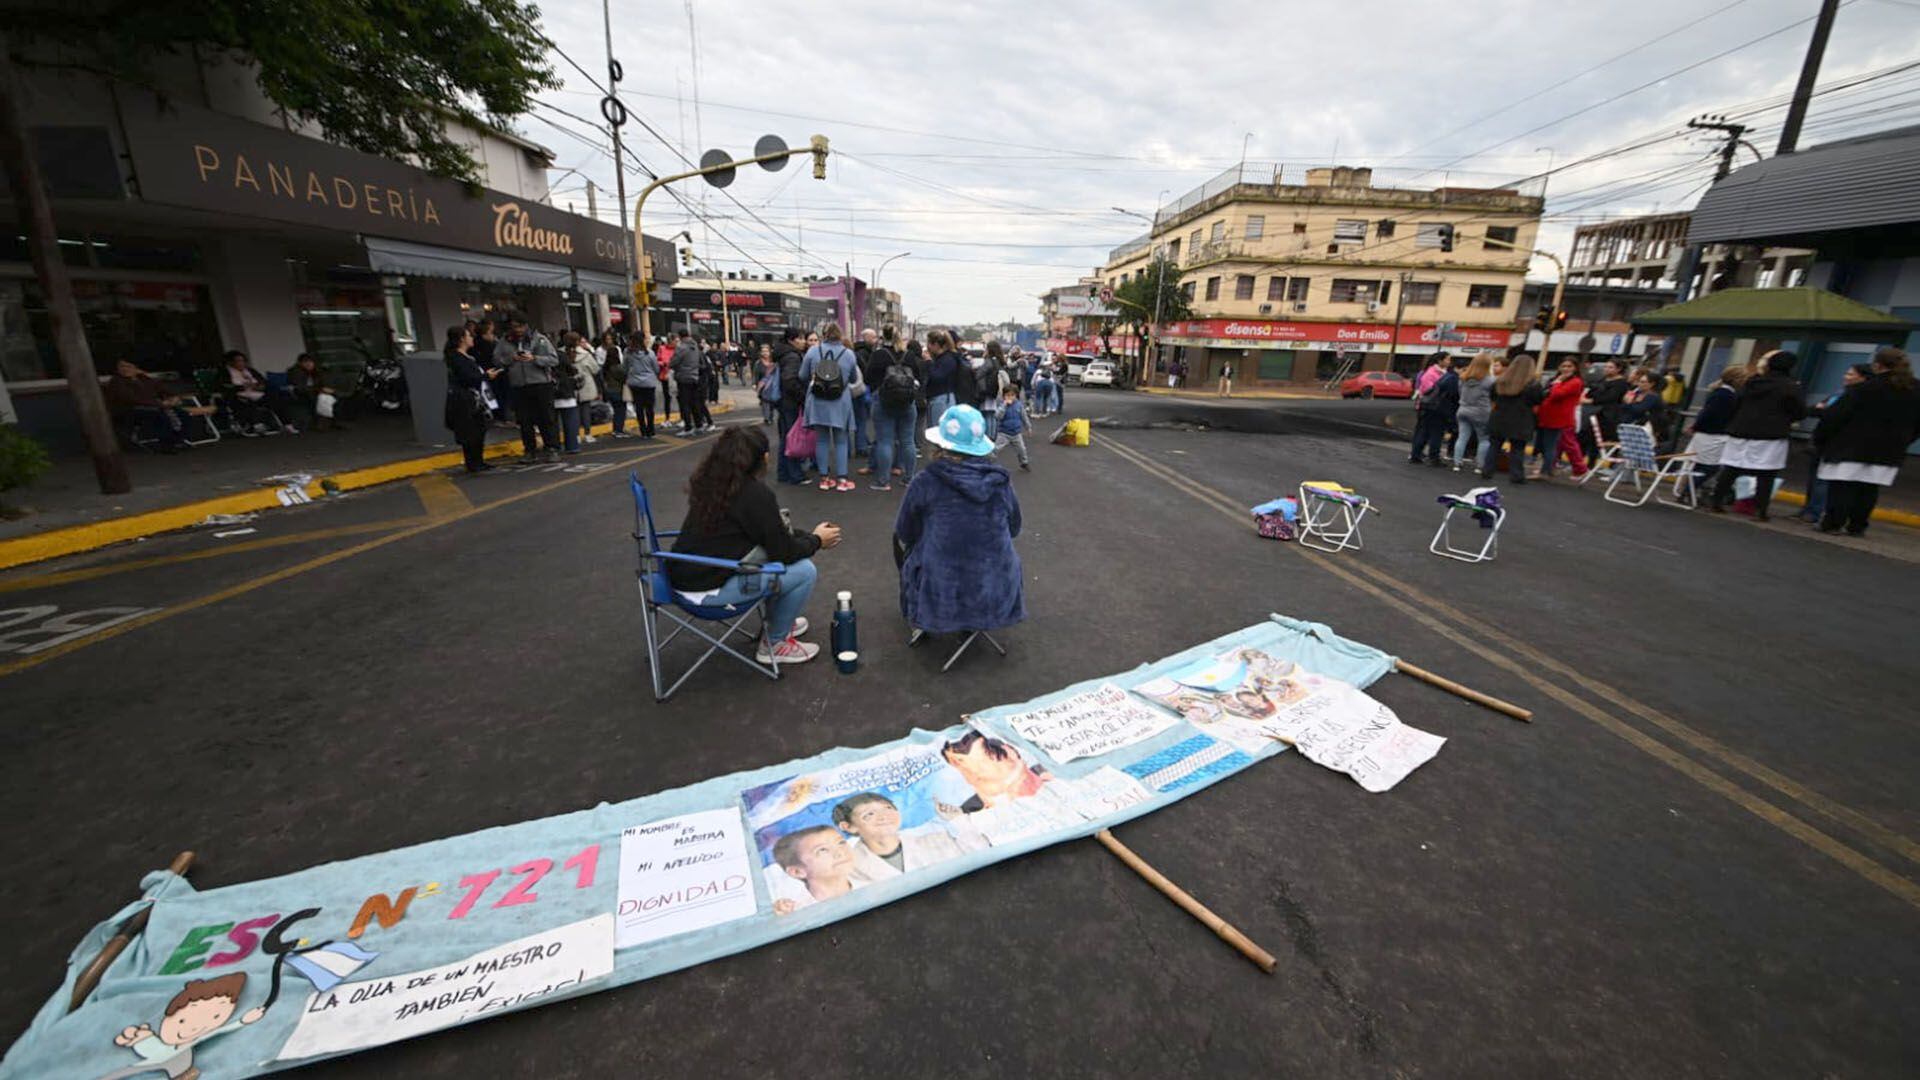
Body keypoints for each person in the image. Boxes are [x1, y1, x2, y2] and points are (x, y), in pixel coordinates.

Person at [670, 425, 841, 663]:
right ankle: (774, 644)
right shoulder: (753, 494)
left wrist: (809, 537)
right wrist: (817, 541)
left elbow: (771, 533)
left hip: (683, 577)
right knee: (803, 571)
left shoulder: (712, 484)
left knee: (772, 559)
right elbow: (784, 552)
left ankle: (780, 621)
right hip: (706, 593)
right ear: (762, 459)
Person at [896, 404, 1024, 637]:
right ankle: (973, 623)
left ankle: (921, 617)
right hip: (996, 584)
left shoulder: (925, 481)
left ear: (940, 445)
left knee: (911, 548)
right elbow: (1014, 528)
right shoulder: (1000, 482)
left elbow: (905, 531)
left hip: (943, 588)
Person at [1814, 347, 1920, 536]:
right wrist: (1906, 439)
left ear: (1877, 365)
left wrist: (1821, 438)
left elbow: (1836, 416)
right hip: (1890, 448)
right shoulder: (1914, 389)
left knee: (1842, 486)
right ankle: (1857, 526)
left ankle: (1833, 523)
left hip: (1851, 445)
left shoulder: (1863, 388)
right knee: (1869, 488)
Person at [1709, 349, 1805, 520]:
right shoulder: (1790, 386)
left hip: (1740, 430)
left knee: (1731, 468)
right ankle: (1761, 511)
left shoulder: (1752, 382)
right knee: (1766, 474)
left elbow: (1737, 403)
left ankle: (1716, 501)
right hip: (1770, 434)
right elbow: (1799, 411)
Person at [833, 792, 973, 884]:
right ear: (848, 827)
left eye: (888, 808)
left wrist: (958, 820)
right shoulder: (847, 868)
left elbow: (977, 852)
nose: (883, 817)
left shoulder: (935, 840)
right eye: (869, 815)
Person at [1794, 364, 1865, 523]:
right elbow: (1816, 409)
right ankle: (1808, 507)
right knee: (1813, 478)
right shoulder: (1839, 393)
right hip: (1821, 439)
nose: (1846, 376)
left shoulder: (1856, 396)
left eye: (1851, 374)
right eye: (1847, 373)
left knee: (1822, 479)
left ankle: (1815, 511)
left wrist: (1823, 410)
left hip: (1836, 442)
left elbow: (1831, 413)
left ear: (1862, 377)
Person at [800, 322, 863, 491]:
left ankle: (824, 478)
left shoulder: (813, 351)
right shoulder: (848, 354)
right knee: (841, 440)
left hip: (818, 400)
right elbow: (853, 379)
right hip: (840, 400)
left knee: (821, 440)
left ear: (824, 334)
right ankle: (842, 479)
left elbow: (802, 375)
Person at [1684, 363, 1748, 494]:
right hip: (1713, 435)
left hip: (1707, 433)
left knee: (1700, 465)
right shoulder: (1725, 395)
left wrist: (1696, 426)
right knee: (1710, 467)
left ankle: (1688, 491)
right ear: (1736, 379)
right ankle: (1689, 490)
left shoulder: (1720, 393)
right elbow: (1708, 413)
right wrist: (1696, 426)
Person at [867, 328, 919, 491]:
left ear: (883, 337)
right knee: (908, 441)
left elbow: (868, 377)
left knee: (885, 441)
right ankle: (909, 478)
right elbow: (918, 376)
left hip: (883, 401)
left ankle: (883, 481)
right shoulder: (909, 355)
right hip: (907, 402)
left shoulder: (879, 354)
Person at [105, 360, 195, 452]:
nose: (125, 369)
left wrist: (173, 397)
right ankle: (166, 444)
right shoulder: (116, 381)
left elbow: (161, 388)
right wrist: (160, 404)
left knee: (183, 413)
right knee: (159, 414)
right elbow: (131, 398)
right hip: (129, 410)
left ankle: (179, 440)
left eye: (128, 366)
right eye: (121, 366)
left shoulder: (143, 378)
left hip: (152, 406)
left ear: (136, 368)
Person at [1482, 353, 1545, 483]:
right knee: (1517, 449)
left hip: (1499, 417)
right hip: (1521, 420)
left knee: (1494, 446)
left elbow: (1492, 398)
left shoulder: (1501, 382)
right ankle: (1516, 475)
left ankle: (1487, 470)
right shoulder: (1532, 385)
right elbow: (1537, 401)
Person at [505, 316, 560, 462]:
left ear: (526, 325)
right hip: (519, 386)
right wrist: (512, 358)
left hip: (540, 384)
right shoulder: (505, 342)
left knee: (546, 418)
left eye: (519, 326)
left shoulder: (540, 339)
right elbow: (497, 360)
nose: (517, 330)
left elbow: (554, 359)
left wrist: (535, 359)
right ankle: (530, 450)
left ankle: (552, 448)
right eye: (514, 327)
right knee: (524, 420)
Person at [442, 325, 495, 473]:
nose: (471, 338)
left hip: (475, 398)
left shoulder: (467, 357)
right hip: (464, 400)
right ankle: (473, 463)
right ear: (462, 339)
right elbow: (467, 378)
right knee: (470, 432)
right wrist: (485, 376)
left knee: (479, 429)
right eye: (469, 336)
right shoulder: (456, 358)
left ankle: (479, 461)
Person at [1531, 357, 1588, 480]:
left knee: (1564, 445)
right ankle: (1549, 468)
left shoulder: (1575, 382)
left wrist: (1557, 383)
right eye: (1563, 366)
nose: (1566, 369)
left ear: (1575, 368)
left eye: (1569, 366)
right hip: (1547, 417)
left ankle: (1579, 469)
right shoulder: (1556, 379)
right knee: (1553, 445)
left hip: (1560, 419)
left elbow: (1557, 395)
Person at [221, 350, 296, 435]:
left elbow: (263, 381)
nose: (241, 363)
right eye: (238, 361)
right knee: (245, 402)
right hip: (238, 396)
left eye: (243, 361)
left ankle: (287, 424)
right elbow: (224, 387)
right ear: (231, 362)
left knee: (276, 397)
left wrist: (260, 386)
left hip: (257, 393)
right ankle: (257, 425)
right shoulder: (224, 373)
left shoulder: (250, 370)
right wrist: (243, 387)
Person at [773, 326, 810, 485]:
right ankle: (795, 474)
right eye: (800, 338)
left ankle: (783, 472)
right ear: (791, 340)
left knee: (785, 438)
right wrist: (803, 396)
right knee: (793, 438)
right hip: (791, 402)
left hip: (783, 401)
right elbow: (790, 381)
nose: (803, 342)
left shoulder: (782, 354)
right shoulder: (792, 357)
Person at [1408, 352, 1457, 466]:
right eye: (1447, 359)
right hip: (1433, 407)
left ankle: (1417, 455)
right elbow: (1427, 391)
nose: (1449, 362)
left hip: (1431, 406)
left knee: (1425, 432)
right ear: (1439, 361)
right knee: (1435, 433)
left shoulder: (1441, 373)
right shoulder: (1432, 373)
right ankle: (1432, 457)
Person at [1452, 355, 1495, 473]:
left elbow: (1460, 392)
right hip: (1481, 411)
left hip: (1463, 409)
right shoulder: (1489, 380)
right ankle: (1479, 465)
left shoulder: (1463, 377)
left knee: (1462, 437)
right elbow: (1494, 396)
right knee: (1483, 439)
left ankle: (1457, 463)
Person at [286, 353, 343, 431]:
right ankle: (324, 422)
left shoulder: (316, 371)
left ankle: (332, 420)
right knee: (323, 398)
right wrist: (320, 390)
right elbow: (301, 388)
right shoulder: (296, 372)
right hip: (302, 395)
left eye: (310, 362)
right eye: (305, 362)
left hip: (314, 392)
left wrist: (328, 389)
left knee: (333, 396)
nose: (308, 364)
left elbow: (322, 382)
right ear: (300, 363)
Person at [670, 331, 711, 435]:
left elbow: (674, 362)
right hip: (694, 377)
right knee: (695, 402)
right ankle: (699, 425)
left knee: (685, 403)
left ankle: (688, 427)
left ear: (680, 336)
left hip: (683, 377)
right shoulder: (695, 347)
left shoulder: (681, 347)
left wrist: (673, 366)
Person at [551, 331, 585, 455]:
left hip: (553, 392)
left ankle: (554, 446)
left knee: (553, 423)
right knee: (570, 422)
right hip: (567, 391)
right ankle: (572, 445)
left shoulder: (555, 354)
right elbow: (573, 372)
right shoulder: (565, 356)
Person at [621, 331, 659, 439]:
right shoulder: (650, 353)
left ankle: (643, 431)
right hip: (649, 383)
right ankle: (651, 430)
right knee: (650, 408)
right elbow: (656, 368)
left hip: (634, 383)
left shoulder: (628, 353)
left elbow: (625, 368)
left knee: (639, 407)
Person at [1584, 359, 1630, 443]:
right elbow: (1592, 391)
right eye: (1606, 367)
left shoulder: (1621, 383)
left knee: (1600, 438)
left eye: (1610, 367)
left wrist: (1592, 400)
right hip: (1595, 412)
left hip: (1608, 414)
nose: (1606, 369)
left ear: (1618, 369)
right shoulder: (1603, 379)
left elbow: (1610, 397)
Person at [570, 330, 602, 445]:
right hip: (585, 385)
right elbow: (595, 369)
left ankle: (576, 435)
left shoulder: (563, 353)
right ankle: (587, 434)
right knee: (585, 410)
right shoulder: (585, 354)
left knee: (573, 412)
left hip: (571, 385)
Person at [1621, 369, 1669, 443]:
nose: (1639, 384)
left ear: (1652, 384)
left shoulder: (1653, 397)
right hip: (1631, 426)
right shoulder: (1637, 393)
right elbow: (1623, 407)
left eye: (1643, 382)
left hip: (1647, 428)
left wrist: (1629, 403)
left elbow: (1639, 410)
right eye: (1640, 381)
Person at [994, 384, 1032, 471]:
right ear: (1003, 396)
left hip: (1016, 433)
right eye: (1007, 395)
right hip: (1004, 432)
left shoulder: (1019, 405)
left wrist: (1028, 427)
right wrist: (1004, 405)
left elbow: (1024, 416)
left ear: (1016, 395)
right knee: (996, 448)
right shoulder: (1001, 405)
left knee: (1021, 449)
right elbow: (997, 416)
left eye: (1012, 395)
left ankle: (1024, 463)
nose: (1010, 397)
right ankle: (988, 462)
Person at [924, 329, 959, 421]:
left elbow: (937, 376)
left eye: (929, 344)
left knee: (937, 431)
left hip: (941, 399)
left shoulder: (946, 359)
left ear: (935, 345)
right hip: (944, 398)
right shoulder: (947, 358)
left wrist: (928, 362)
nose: (928, 348)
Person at [755, 343, 780, 424]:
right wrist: (755, 384)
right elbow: (756, 375)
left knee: (772, 402)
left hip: (772, 385)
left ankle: (770, 416)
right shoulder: (758, 363)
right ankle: (767, 418)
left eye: (766, 351)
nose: (765, 353)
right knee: (765, 401)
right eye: (763, 351)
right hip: (762, 386)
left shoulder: (774, 363)